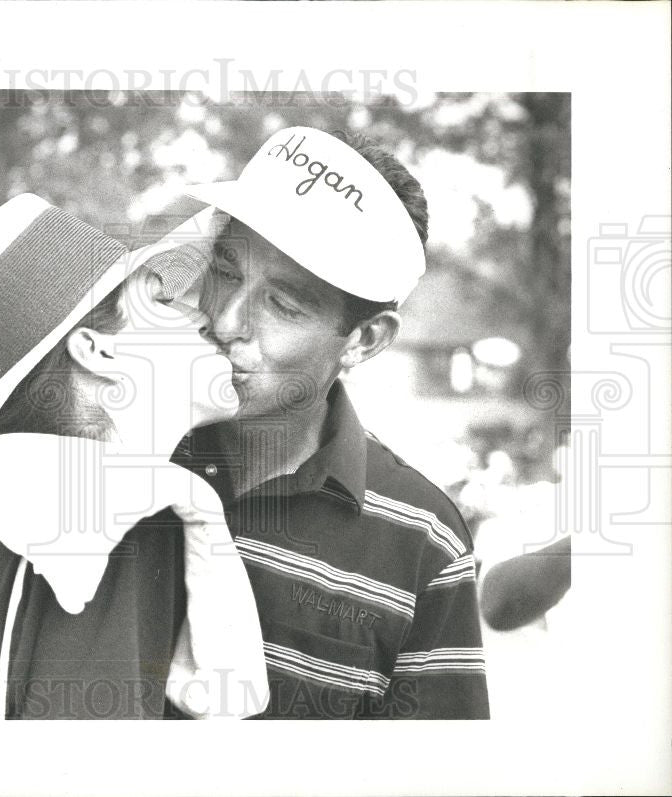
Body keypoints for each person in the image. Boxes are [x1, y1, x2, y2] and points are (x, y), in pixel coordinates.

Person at [0, 194, 268, 720]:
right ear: (97, 350)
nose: (206, 314)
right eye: (164, 302)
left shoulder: (40, 521)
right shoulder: (82, 533)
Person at [162, 126, 490, 719]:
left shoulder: (423, 540)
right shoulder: (114, 446)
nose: (227, 321)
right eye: (227, 273)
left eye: (284, 305)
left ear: (364, 341)